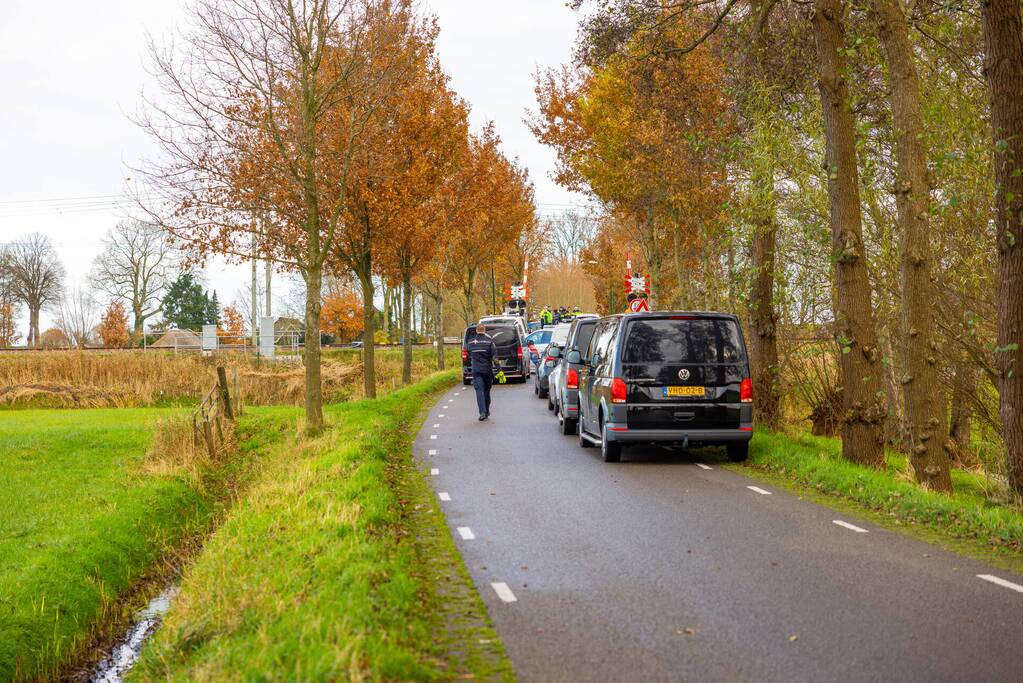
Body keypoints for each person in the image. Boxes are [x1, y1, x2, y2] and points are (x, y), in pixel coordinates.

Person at [467, 323, 499, 420]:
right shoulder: (489, 342)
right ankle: (487, 410)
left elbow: (468, 353)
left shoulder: (471, 342)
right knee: (486, 391)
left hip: (476, 370)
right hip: (487, 370)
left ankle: (482, 412)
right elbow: (495, 357)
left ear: (477, 330)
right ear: (484, 330)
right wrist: (499, 369)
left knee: (479, 391)